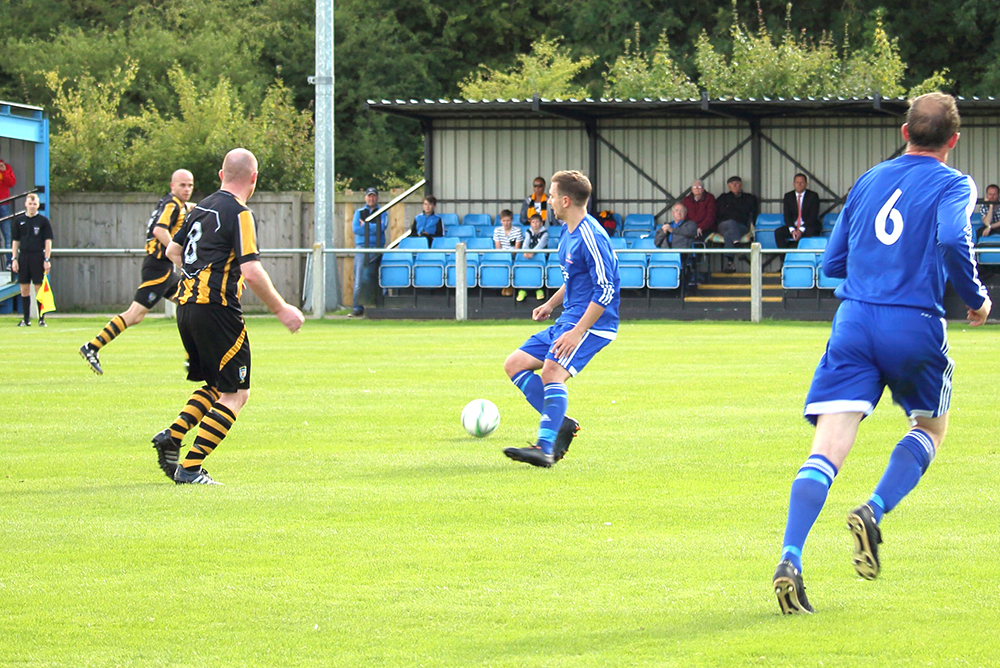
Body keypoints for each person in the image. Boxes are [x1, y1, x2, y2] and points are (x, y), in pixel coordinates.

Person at [772, 93, 991, 615]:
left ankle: (790, 558)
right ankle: (872, 509)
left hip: (853, 322)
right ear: (954, 141)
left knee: (826, 451)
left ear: (904, 132)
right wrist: (977, 298)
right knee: (930, 428)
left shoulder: (869, 179)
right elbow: (952, 240)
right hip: (912, 320)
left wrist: (874, 274)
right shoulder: (955, 183)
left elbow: (831, 263)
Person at [149, 148, 304, 485]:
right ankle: (190, 469)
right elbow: (251, 270)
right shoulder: (241, 213)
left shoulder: (200, 207)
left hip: (186, 307)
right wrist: (282, 309)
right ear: (254, 178)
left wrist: (203, 274)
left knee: (217, 386)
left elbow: (173, 251)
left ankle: (172, 437)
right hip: (216, 311)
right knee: (237, 394)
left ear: (221, 175)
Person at [502, 170, 620, 468]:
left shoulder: (591, 236)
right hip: (568, 318)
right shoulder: (569, 233)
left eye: (552, 196)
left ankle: (545, 447)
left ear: (565, 200)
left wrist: (579, 331)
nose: (548, 202)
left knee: (552, 371)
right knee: (514, 364)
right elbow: (575, 278)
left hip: (593, 325)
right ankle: (560, 422)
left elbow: (605, 290)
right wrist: (551, 304)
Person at [79, 169, 194, 374]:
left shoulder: (172, 203)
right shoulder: (172, 204)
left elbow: (188, 209)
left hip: (162, 268)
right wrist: (177, 253)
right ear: (172, 186)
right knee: (135, 314)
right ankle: (92, 347)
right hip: (158, 268)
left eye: (190, 185)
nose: (187, 189)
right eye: (182, 185)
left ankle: (192, 358)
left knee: (191, 303)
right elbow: (160, 230)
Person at [10, 193, 52, 326]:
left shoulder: (43, 221)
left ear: (38, 205)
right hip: (24, 257)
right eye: (30, 203)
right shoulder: (19, 221)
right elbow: (15, 241)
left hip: (37, 256)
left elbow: (48, 241)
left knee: (39, 288)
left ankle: (41, 319)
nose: (32, 206)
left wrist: (46, 258)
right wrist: (14, 258)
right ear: (25, 204)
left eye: (35, 204)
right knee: (24, 288)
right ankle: (26, 319)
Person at [351, 187, 388, 318]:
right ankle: (357, 307)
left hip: (378, 247)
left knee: (380, 276)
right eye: (369, 196)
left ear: (377, 198)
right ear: (365, 198)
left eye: (373, 196)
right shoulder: (359, 212)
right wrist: (372, 227)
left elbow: (381, 228)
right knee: (360, 278)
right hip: (362, 248)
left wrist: (365, 225)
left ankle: (381, 304)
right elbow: (356, 229)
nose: (371, 198)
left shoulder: (382, 212)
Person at [714, 175, 759, 272]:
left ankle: (730, 262)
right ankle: (737, 245)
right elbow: (717, 214)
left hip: (741, 227)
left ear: (741, 185)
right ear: (728, 186)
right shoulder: (723, 198)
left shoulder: (749, 198)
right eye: (732, 184)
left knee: (729, 234)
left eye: (737, 183)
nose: (735, 185)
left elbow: (753, 214)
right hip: (723, 226)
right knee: (731, 223)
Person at [778, 174, 821, 249]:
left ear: (806, 184)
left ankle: (804, 256)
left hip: (808, 226)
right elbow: (787, 215)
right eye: (797, 182)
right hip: (794, 227)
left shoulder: (813, 196)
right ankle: (785, 258)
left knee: (811, 232)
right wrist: (792, 230)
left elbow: (813, 216)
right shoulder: (788, 196)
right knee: (778, 232)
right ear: (793, 184)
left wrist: (801, 230)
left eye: (802, 182)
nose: (799, 185)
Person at [517, 213, 548, 302]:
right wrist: (525, 251)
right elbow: (525, 243)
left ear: (541, 223)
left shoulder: (545, 233)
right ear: (530, 223)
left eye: (537, 222)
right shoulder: (528, 232)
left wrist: (532, 252)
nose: (535, 224)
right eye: (533, 222)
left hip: (540, 255)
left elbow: (541, 245)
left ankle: (539, 289)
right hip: (529, 255)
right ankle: (523, 289)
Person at [493, 208, 523, 297]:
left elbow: (516, 249)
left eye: (508, 221)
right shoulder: (497, 231)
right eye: (504, 221)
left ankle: (510, 286)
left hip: (513, 256)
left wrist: (509, 255)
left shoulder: (517, 231)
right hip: (502, 256)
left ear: (512, 220)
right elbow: (498, 248)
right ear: (500, 221)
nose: (506, 223)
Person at [0, 157, 16, 271]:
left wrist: (4, 171)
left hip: (4, 204)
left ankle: (10, 263)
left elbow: (11, 183)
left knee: (7, 234)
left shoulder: (6, 167)